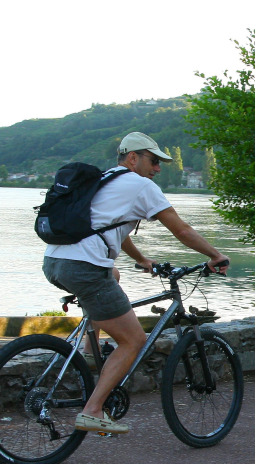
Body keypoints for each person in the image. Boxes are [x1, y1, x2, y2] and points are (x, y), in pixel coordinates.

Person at [42, 132, 229, 435]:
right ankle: (93, 410)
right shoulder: (142, 186)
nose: (158, 168)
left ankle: (92, 349)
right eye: (153, 161)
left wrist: (141, 259)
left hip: (54, 262)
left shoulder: (105, 181)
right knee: (133, 340)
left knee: (112, 274)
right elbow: (181, 230)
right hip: (84, 268)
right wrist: (215, 255)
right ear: (133, 157)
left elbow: (113, 229)